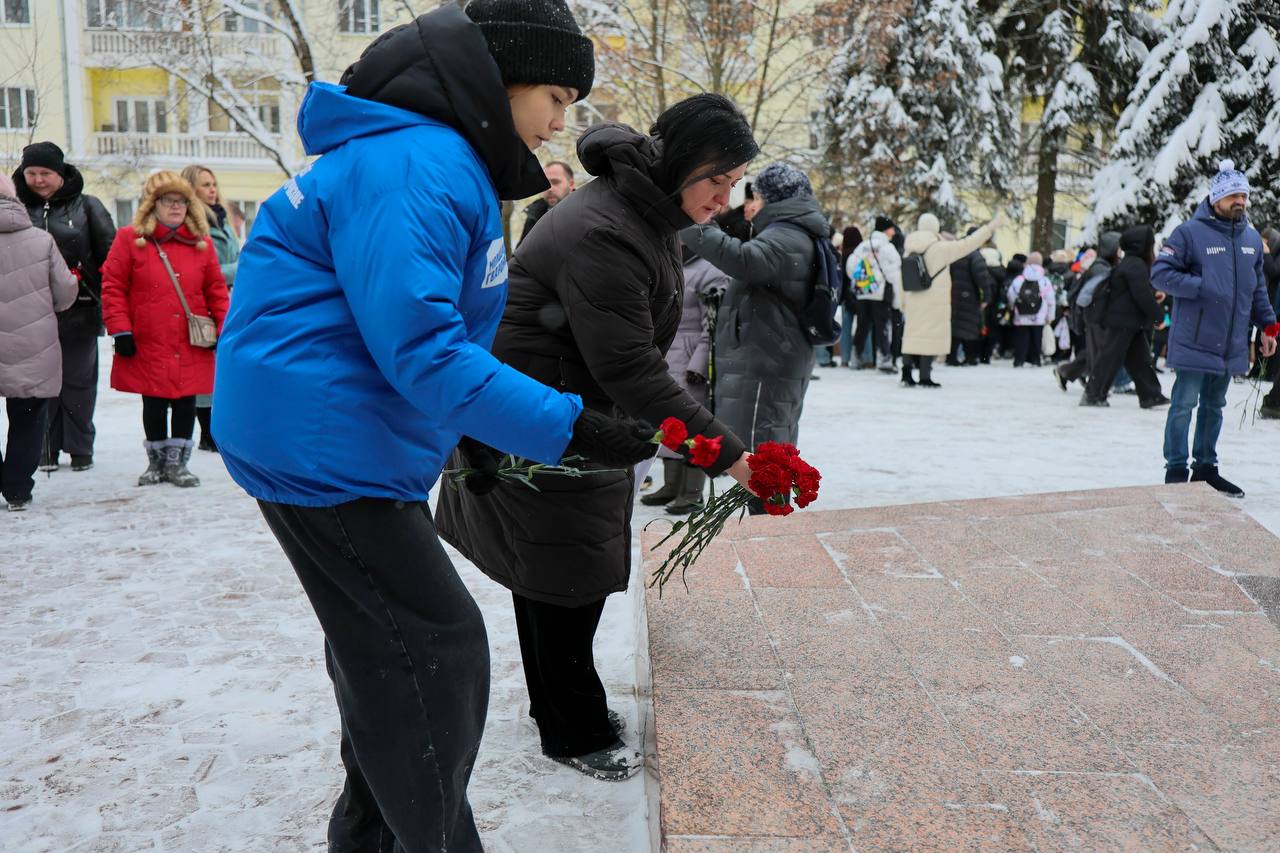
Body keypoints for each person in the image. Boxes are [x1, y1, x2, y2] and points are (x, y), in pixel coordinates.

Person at [211, 3, 656, 847]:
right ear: (501, 77)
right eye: (556, 95)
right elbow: (422, 345)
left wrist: (478, 428)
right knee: (434, 654)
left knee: (392, 652)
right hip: (325, 440)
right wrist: (570, 426)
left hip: (334, 431)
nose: (562, 122)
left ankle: (372, 836)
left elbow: (408, 335)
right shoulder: (420, 160)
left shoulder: (419, 152)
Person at [437, 94, 759, 782]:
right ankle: (570, 725)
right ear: (677, 163)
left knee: (556, 570)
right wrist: (729, 456)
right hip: (546, 422)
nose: (725, 197)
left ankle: (562, 703)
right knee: (562, 576)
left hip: (566, 417)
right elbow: (631, 364)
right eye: (715, 178)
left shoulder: (640, 211)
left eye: (735, 183)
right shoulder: (609, 229)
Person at [680, 160, 826, 488]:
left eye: (756, 197)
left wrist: (693, 222)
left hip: (767, 359)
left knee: (766, 450)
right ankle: (767, 520)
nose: (750, 205)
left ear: (775, 199)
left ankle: (768, 528)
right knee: (768, 445)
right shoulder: (794, 232)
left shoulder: (787, 235)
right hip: (771, 355)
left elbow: (743, 260)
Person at [1153, 160, 1277, 496]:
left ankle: (1205, 468)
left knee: (1214, 407)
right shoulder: (1188, 234)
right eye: (1233, 195)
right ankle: (1176, 470)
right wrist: (1201, 285)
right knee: (1183, 405)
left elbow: (1258, 290)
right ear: (1216, 199)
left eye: (1244, 195)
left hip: (1230, 342)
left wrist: (1269, 326)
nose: (1240, 201)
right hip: (1195, 339)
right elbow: (1161, 274)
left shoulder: (1251, 239)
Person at [100, 171, 230, 488]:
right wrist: (121, 330)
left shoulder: (202, 245)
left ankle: (179, 465)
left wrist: (224, 330)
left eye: (181, 201)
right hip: (147, 337)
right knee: (154, 401)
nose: (175, 207)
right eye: (168, 201)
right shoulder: (130, 239)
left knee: (186, 400)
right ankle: (156, 464)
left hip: (190, 338)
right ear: (153, 204)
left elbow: (216, 290)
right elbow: (113, 286)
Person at [12, 142, 115, 473]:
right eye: (32, 173)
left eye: (46, 173)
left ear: (60, 173)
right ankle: (45, 449)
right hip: (28, 313)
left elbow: (110, 259)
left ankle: (80, 447)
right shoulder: (14, 208)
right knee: (38, 385)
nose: (39, 180)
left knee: (78, 381)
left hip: (80, 310)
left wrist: (104, 301)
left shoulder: (87, 207)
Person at [0, 173, 77, 511]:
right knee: (29, 418)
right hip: (33, 345)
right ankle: (17, 489)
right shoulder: (41, 240)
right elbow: (64, 295)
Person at [641, 242, 731, 514]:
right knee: (668, 422)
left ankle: (692, 492)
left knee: (693, 425)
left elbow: (712, 325)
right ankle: (672, 484)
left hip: (692, 357)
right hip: (667, 352)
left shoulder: (712, 271)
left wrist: (700, 364)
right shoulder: (670, 264)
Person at [180, 164, 241, 452]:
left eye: (213, 183)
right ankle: (207, 432)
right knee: (206, 369)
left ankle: (217, 427)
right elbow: (207, 268)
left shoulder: (222, 218)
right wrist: (241, 267)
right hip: (201, 302)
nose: (212, 189)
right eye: (205, 185)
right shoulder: (194, 223)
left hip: (226, 299)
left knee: (221, 366)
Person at [900, 212, 999, 387]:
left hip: (913, 298)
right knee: (929, 338)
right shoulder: (940, 248)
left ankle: (906, 374)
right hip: (934, 300)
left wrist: (902, 302)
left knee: (912, 336)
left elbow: (902, 277)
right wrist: (989, 229)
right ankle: (925, 376)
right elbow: (967, 244)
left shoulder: (909, 248)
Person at [1081, 225, 1168, 408]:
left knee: (1141, 361)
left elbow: (1134, 293)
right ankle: (1093, 394)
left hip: (1128, 321)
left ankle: (1150, 395)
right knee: (1110, 358)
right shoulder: (1135, 265)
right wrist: (1158, 317)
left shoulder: (1130, 263)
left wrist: (1153, 296)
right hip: (1123, 321)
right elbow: (1141, 295)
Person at [1056, 231, 1121, 390]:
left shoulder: (1102, 265)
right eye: (1118, 248)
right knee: (1099, 351)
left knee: (1095, 350)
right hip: (1096, 315)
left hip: (1096, 315)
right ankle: (1094, 386)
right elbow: (1089, 296)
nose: (1120, 251)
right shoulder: (1100, 268)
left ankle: (1066, 372)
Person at [846, 216, 901, 373]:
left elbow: (851, 265)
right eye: (891, 228)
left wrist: (861, 279)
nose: (893, 231)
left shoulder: (863, 245)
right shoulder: (887, 247)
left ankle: (855, 359)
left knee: (862, 327)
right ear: (886, 229)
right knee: (882, 327)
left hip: (863, 292)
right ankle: (884, 361)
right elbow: (895, 271)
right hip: (880, 294)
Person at [947, 227, 997, 366]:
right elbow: (982, 277)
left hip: (953, 293)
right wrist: (987, 297)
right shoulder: (974, 255)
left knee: (955, 325)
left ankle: (951, 356)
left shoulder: (955, 250)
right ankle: (970, 357)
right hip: (969, 296)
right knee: (968, 326)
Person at [1004, 251, 1055, 368]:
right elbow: (1051, 300)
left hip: (1021, 314)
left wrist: (1013, 306)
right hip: (1039, 316)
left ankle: (1019, 360)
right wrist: (1050, 316)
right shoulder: (1045, 280)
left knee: (1021, 338)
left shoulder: (1020, 278)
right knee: (1036, 338)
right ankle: (1035, 360)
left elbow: (1011, 294)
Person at [518, 160, 575, 244]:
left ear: (571, 184)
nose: (549, 189)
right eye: (545, 183)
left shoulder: (586, 213)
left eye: (555, 182)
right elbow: (520, 253)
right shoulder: (533, 214)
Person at [836, 225, 861, 366]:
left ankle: (845, 359)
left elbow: (841, 279)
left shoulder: (842, 255)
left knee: (845, 329)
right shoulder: (861, 254)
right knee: (863, 328)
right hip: (862, 294)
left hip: (846, 296)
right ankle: (865, 357)